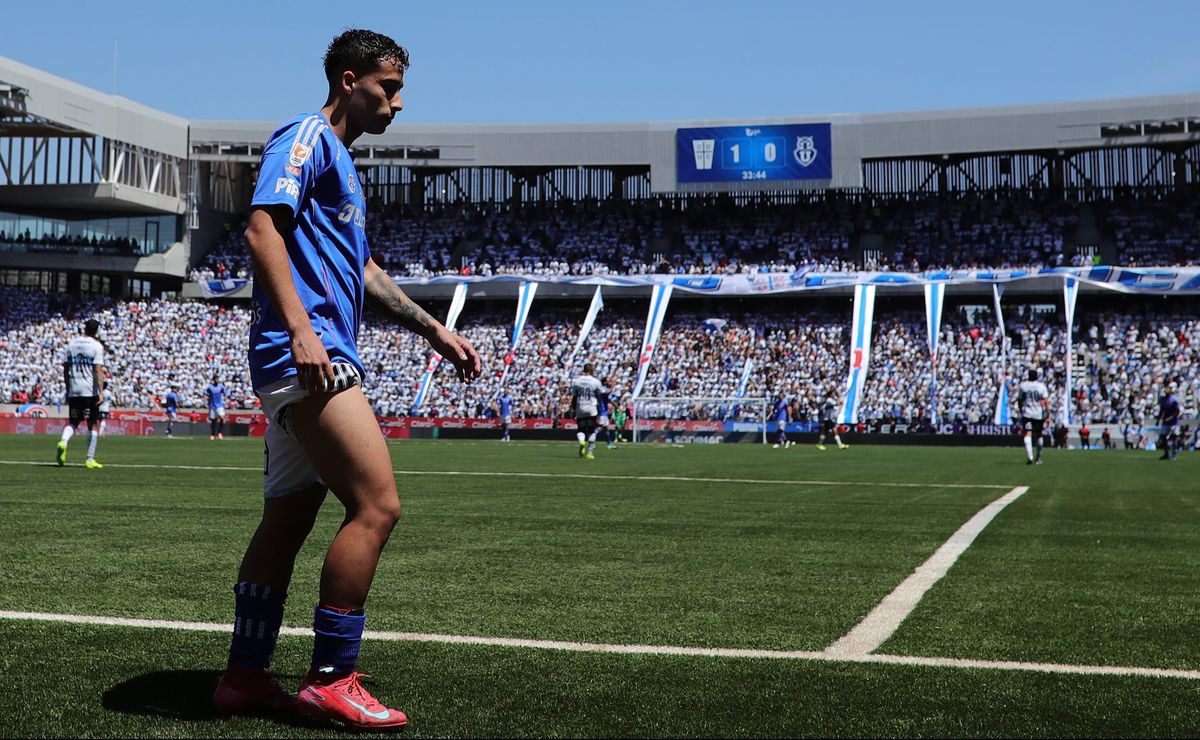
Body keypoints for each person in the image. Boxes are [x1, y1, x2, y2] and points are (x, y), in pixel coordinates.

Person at [213, 30, 482, 732]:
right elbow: (262, 230)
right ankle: (332, 678)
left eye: (399, 90)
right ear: (347, 80)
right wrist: (303, 330)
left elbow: (363, 273)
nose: (397, 102)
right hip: (309, 355)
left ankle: (244, 677)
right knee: (377, 506)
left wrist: (434, 330)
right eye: (386, 88)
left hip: (304, 354)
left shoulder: (343, 167)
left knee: (289, 517)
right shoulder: (303, 137)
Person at [56, 318, 106, 469]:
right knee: (93, 425)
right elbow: (97, 370)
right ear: (96, 331)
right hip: (89, 390)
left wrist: (68, 386)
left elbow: (66, 368)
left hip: (74, 389)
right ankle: (90, 459)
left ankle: (63, 442)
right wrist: (101, 392)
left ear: (84, 329)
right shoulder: (96, 346)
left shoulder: (72, 344)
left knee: (73, 421)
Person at [568, 362, 607, 459]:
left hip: (580, 407)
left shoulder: (577, 381)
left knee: (580, 430)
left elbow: (574, 396)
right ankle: (590, 453)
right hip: (591, 408)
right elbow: (600, 395)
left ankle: (581, 441)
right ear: (591, 370)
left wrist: (573, 408)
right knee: (591, 431)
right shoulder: (595, 381)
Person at [1016, 369, 1049, 465]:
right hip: (1038, 414)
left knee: (1028, 433)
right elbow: (1046, 401)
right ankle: (1038, 457)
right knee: (1039, 435)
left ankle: (1030, 456)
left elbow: (1020, 399)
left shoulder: (1024, 386)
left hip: (1027, 413)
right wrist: (1048, 414)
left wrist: (1020, 408)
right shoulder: (1041, 386)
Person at [1156, 384, 1181, 461]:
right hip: (1165, 422)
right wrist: (1158, 420)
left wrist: (1170, 418)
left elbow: (1177, 411)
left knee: (1174, 438)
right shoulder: (1163, 399)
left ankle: (1174, 454)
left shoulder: (1174, 400)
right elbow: (1161, 411)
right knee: (1163, 438)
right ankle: (1166, 454)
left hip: (1173, 422)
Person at [207, 374, 228, 440]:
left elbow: (225, 393)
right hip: (212, 406)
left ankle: (219, 433)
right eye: (216, 379)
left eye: (218, 379)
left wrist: (225, 400)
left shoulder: (221, 386)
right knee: (213, 421)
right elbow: (207, 395)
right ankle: (212, 434)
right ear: (213, 380)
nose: (217, 380)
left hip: (219, 405)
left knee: (222, 418)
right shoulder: (210, 387)